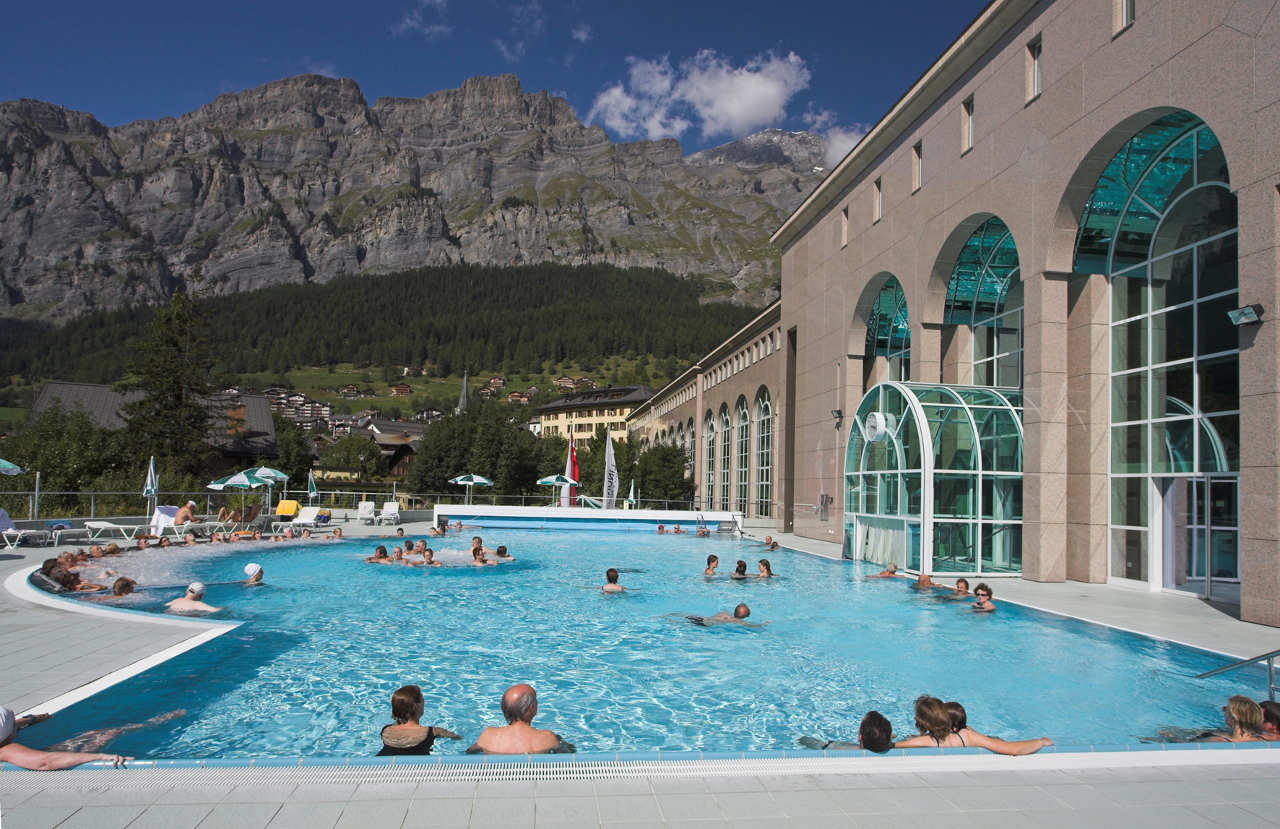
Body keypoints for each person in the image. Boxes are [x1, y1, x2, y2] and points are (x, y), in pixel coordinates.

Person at [0, 706, 130, 770]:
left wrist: (30, 719)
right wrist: (101, 757)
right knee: (106, 735)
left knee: (104, 733)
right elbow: (44, 762)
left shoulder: (3, 736)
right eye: (13, 723)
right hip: (46, 758)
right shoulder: (6, 750)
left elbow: (9, 726)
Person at [466, 684, 574, 754]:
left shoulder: (488, 735)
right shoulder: (547, 737)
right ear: (532, 709)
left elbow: (468, 754)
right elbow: (570, 757)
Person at [376, 684, 461, 756]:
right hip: (418, 772)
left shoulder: (386, 730)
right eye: (422, 699)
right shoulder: (433, 732)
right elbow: (457, 738)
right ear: (416, 706)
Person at [943, 700, 1053, 755]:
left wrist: (1041, 742)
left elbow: (1013, 749)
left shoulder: (969, 736)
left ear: (954, 729)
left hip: (995, 741)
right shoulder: (959, 730)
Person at [799, 711, 894, 753]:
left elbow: (826, 748)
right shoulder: (888, 751)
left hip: (827, 747)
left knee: (804, 739)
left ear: (860, 737)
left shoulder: (839, 750)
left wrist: (802, 738)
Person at [1201, 696, 1265, 743]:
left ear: (1234, 717)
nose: (1223, 711)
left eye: (1226, 709)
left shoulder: (1217, 741)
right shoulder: (1262, 740)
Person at [685, 603, 766, 628]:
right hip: (704, 624)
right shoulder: (738, 621)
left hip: (701, 618)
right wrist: (764, 624)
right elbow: (752, 626)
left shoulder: (725, 613)